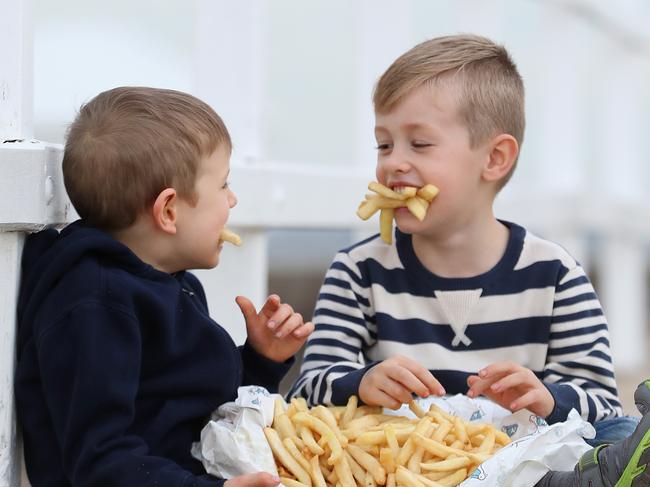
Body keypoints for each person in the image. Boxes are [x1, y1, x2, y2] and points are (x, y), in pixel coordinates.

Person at [288, 35, 649, 485]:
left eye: (419, 144)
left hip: (527, 467)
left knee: (623, 432)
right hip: (399, 469)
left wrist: (548, 397)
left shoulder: (554, 275)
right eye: (383, 145)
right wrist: (359, 382)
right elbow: (308, 390)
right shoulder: (359, 271)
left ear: (494, 158)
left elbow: (602, 402)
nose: (393, 163)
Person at [15, 87, 313, 487]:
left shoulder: (172, 282)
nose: (234, 199)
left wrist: (260, 360)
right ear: (169, 210)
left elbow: (192, 404)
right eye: (224, 185)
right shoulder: (96, 306)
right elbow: (101, 460)